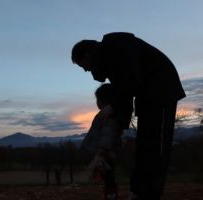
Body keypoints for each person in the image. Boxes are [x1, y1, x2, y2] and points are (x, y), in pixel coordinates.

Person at [72, 32, 186, 200]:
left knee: (157, 146)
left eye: (84, 65)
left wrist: (112, 106)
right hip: (147, 97)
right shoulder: (110, 58)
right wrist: (117, 124)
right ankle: (138, 191)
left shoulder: (116, 46)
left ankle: (150, 193)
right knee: (145, 144)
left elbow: (130, 81)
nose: (86, 70)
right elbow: (125, 91)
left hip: (161, 91)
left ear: (88, 55)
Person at [81, 83, 122, 200]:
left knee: (109, 178)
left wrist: (101, 152)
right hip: (103, 154)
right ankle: (110, 194)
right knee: (107, 178)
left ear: (102, 100)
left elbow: (107, 134)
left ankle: (111, 196)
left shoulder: (108, 116)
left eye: (97, 99)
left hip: (105, 155)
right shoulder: (105, 114)